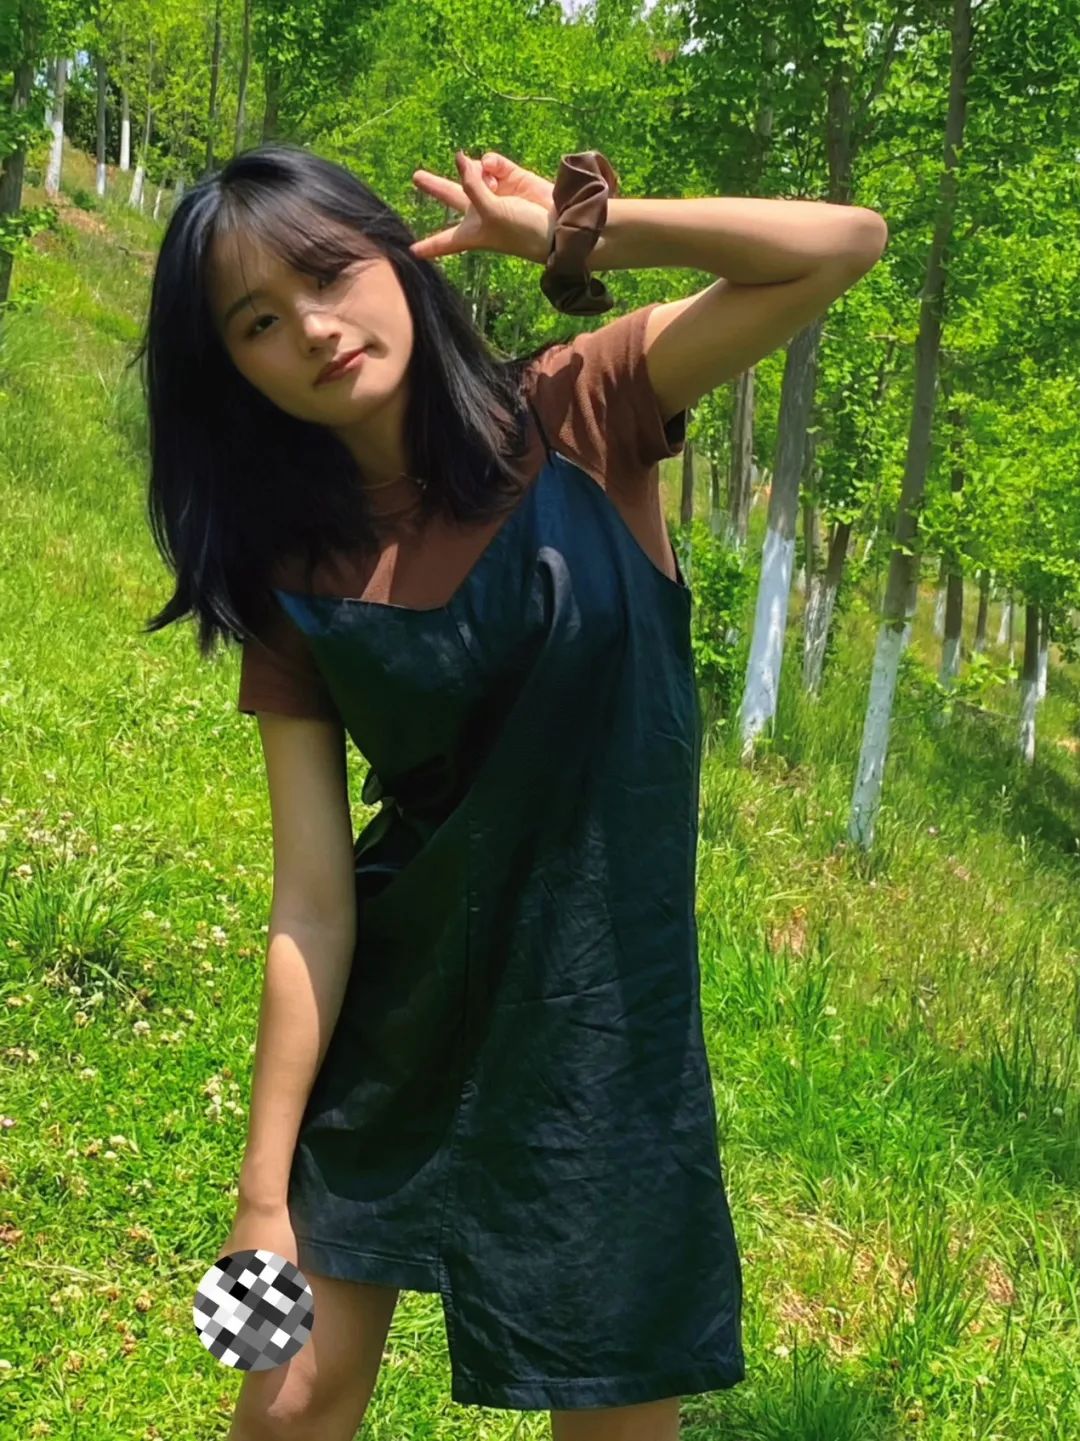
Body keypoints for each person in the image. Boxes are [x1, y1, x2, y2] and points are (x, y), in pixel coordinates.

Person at [135, 140, 884, 1440]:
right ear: (233, 371)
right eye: (257, 322)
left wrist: (581, 235)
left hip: (600, 1036)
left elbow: (846, 243)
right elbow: (311, 903)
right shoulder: (287, 570)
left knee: (610, 1426)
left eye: (328, 271)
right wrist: (261, 1192)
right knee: (280, 1404)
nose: (312, 328)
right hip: (388, 1031)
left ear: (398, 256)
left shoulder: (582, 407)